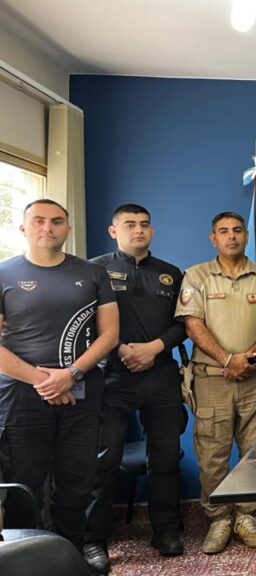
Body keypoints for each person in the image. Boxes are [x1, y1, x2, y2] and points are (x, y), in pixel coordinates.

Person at [0, 200, 119, 565]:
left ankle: (72, 553)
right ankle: (25, 559)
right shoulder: (4, 273)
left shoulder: (93, 273)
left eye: (56, 221)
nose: (47, 227)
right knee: (23, 482)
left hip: (81, 389)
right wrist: (44, 380)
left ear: (68, 228)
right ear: (24, 229)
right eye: (38, 221)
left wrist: (71, 375)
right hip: (21, 394)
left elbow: (109, 335)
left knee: (77, 478)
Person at [84, 204, 186, 571]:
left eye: (144, 224)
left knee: (166, 457)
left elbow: (183, 324)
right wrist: (121, 350)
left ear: (152, 231)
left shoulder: (171, 274)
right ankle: (94, 540)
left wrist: (154, 348)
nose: (138, 230)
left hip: (160, 373)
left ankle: (167, 531)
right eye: (130, 224)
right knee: (103, 460)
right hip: (113, 376)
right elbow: (87, 323)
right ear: (114, 231)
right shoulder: (94, 270)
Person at [175, 211, 256, 554]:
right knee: (213, 454)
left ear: (247, 237)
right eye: (223, 231)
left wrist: (249, 358)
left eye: (237, 230)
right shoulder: (196, 276)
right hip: (212, 379)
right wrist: (227, 359)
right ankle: (219, 518)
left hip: (255, 378)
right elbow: (192, 325)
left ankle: (248, 516)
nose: (231, 236)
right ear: (213, 239)